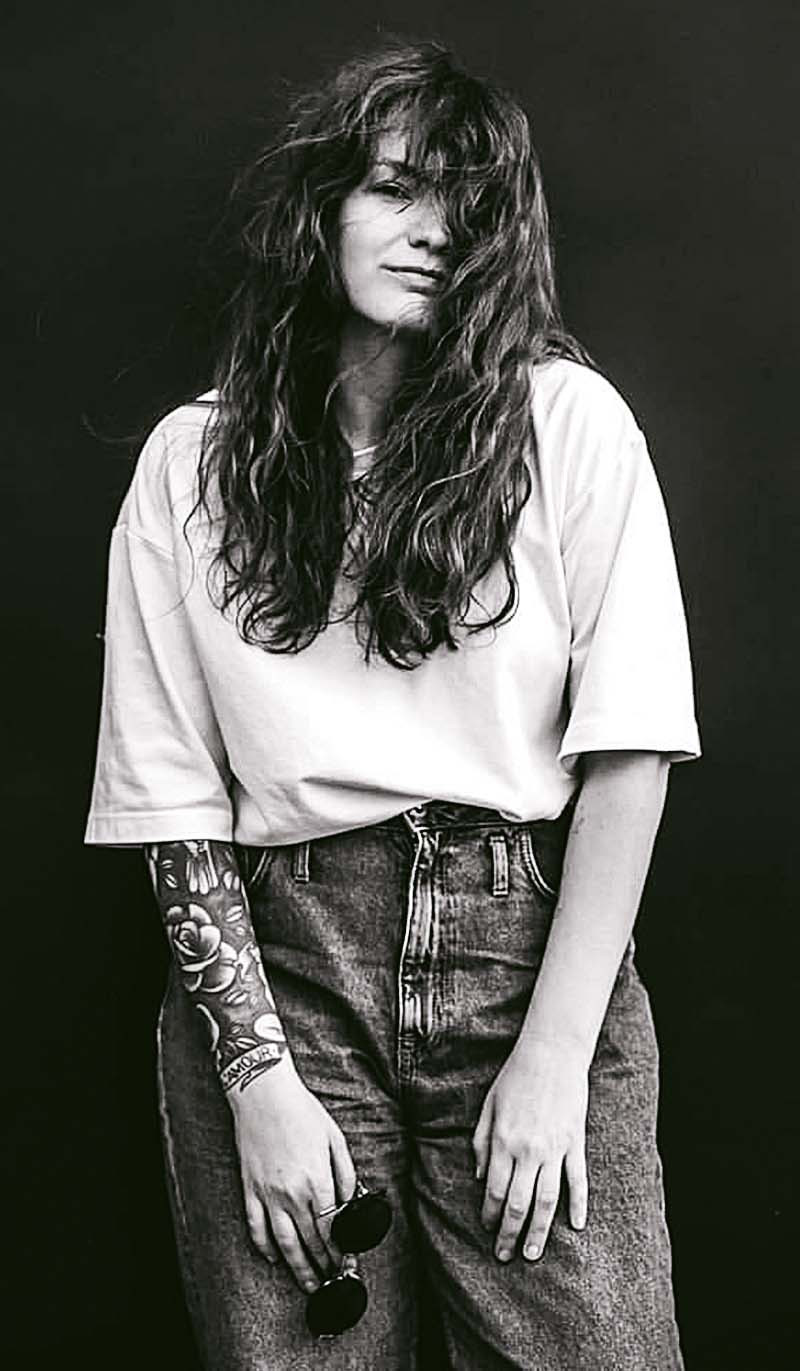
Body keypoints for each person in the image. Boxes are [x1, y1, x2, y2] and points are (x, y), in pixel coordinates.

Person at [85, 38, 701, 1371]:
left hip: (530, 959)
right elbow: (171, 794)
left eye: (469, 206)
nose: (432, 233)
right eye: (395, 188)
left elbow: (632, 754)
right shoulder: (191, 465)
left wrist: (556, 1057)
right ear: (323, 208)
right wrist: (256, 1080)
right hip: (283, 971)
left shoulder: (568, 425)